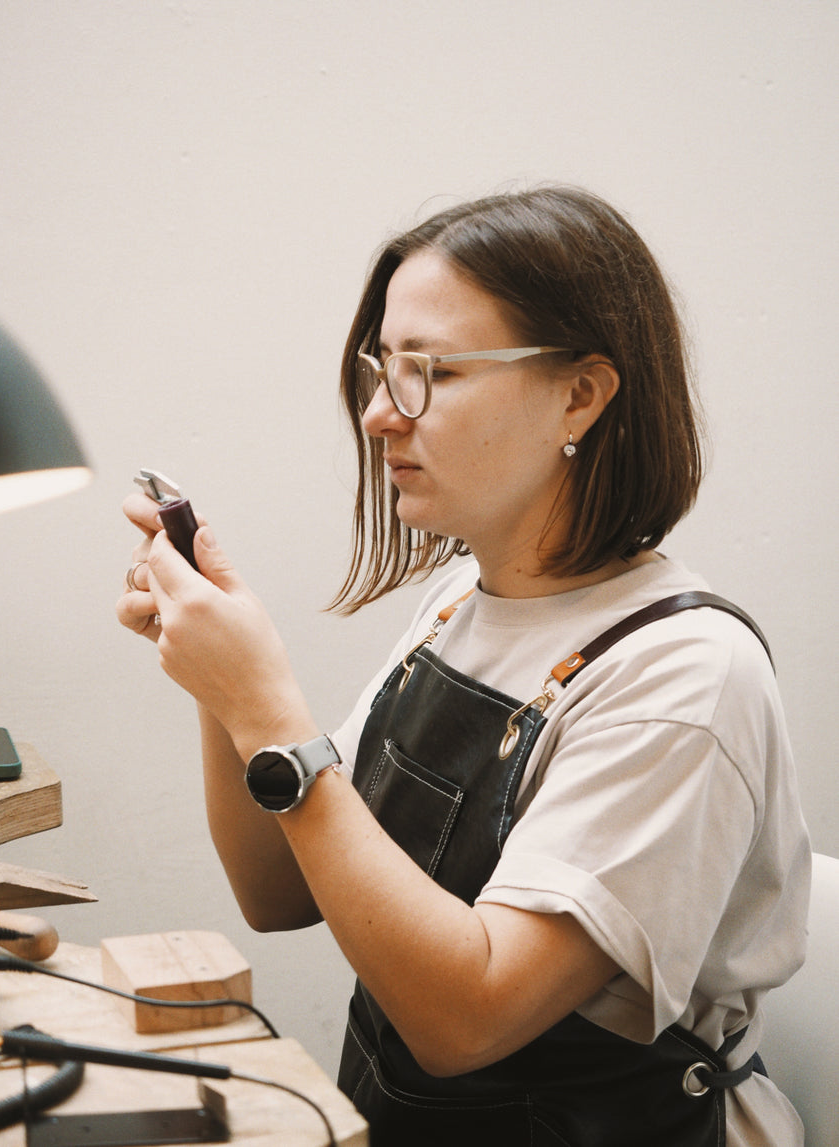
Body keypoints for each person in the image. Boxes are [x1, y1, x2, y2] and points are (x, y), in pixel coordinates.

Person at [117, 186, 811, 1146]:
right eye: (382, 369)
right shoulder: (459, 606)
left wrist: (265, 702)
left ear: (580, 393)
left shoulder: (684, 677)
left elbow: (465, 1019)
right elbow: (278, 891)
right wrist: (221, 688)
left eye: (430, 373)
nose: (377, 416)